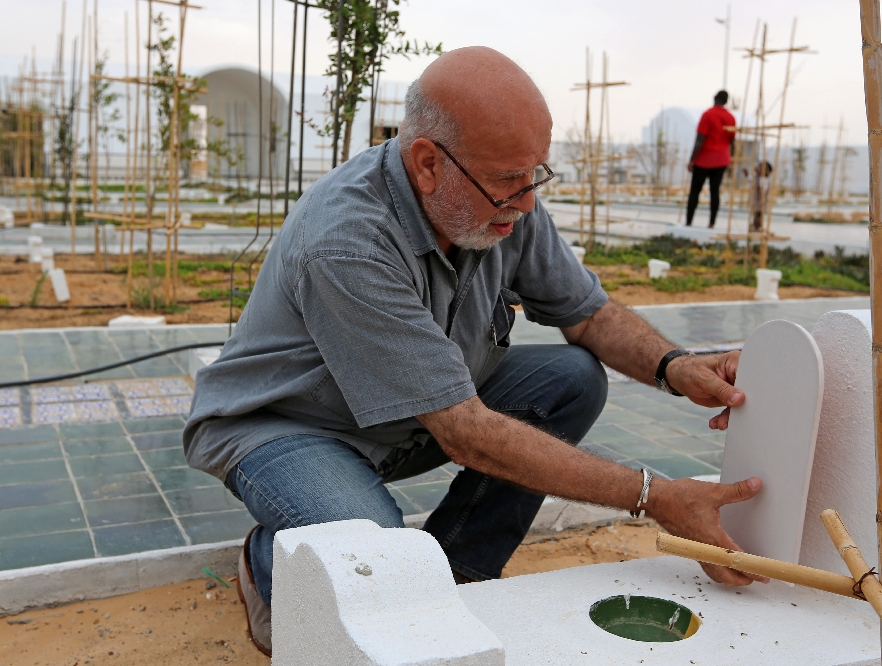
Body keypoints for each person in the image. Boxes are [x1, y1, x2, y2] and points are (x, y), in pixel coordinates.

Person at [182, 47, 766, 656]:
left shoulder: (502, 199)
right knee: (378, 553)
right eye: (509, 182)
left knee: (571, 378)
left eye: (536, 173)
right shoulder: (347, 240)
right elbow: (464, 431)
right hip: (292, 427)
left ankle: (458, 573)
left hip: (408, 418)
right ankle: (268, 564)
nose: (527, 202)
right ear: (428, 164)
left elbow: (589, 314)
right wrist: (657, 497)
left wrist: (676, 367)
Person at [686, 90, 737, 228]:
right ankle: (712, 222)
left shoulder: (707, 114)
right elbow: (733, 141)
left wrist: (692, 159)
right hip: (721, 159)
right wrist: (731, 159)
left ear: (714, 98)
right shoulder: (731, 117)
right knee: (715, 192)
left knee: (695, 191)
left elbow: (700, 139)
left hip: (704, 158)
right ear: (726, 102)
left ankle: (689, 221)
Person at [746, 160, 774, 232]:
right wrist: (747, 174)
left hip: (761, 201)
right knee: (756, 215)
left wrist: (756, 186)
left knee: (759, 215)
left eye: (760, 167)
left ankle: (758, 227)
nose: (758, 168)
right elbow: (750, 180)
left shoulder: (764, 179)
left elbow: (763, 188)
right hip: (756, 201)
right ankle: (755, 226)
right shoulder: (757, 177)